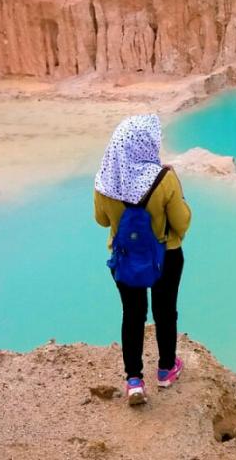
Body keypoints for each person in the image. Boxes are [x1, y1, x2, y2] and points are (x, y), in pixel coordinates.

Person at [93, 114, 191, 405]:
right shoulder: (165, 178)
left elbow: (100, 220)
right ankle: (166, 369)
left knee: (133, 315)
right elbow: (182, 223)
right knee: (165, 312)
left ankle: (134, 380)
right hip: (166, 256)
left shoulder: (104, 181)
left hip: (124, 259)